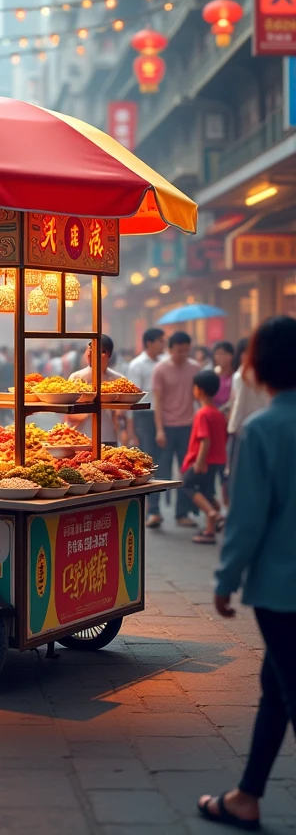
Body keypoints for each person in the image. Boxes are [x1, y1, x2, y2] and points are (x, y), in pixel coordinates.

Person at [198, 316, 296, 831]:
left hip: (284, 589)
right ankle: (247, 795)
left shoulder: (264, 429)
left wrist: (224, 580)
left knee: (288, 687)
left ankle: (247, 796)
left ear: (255, 367)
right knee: (276, 687)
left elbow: (247, 517)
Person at [149, 331, 199, 528]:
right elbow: (158, 401)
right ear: (170, 349)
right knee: (161, 470)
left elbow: (198, 398)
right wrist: (159, 429)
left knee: (185, 471)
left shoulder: (195, 368)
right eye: (179, 351)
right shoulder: (160, 369)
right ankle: (154, 512)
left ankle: (182, 513)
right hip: (167, 426)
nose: (183, 355)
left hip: (188, 426)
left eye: (186, 351)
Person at [176, 371, 227, 546]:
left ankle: (213, 512)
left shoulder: (202, 413)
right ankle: (210, 531)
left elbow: (205, 439)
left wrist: (199, 462)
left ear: (200, 390)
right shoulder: (217, 413)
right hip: (216, 461)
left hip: (203, 461)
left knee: (186, 484)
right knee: (206, 492)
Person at [226, 338, 269, 490]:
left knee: (239, 469)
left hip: (242, 429)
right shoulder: (265, 372)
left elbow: (239, 404)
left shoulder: (242, 374)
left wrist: (232, 428)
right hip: (264, 427)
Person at [70, 335, 123, 446]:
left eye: (94, 350)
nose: (89, 354)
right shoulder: (76, 377)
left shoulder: (118, 380)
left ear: (106, 355)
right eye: (88, 349)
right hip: (82, 437)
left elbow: (119, 415)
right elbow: (69, 413)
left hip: (108, 437)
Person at [126, 327, 165, 458]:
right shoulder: (137, 365)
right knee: (146, 455)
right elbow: (132, 397)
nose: (163, 344)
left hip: (162, 413)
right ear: (149, 343)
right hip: (144, 415)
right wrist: (131, 432)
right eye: (160, 341)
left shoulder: (164, 362)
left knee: (162, 455)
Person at [213, 340, 235, 411]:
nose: (218, 357)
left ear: (231, 356)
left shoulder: (235, 376)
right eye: (216, 354)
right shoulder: (213, 374)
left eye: (221, 354)